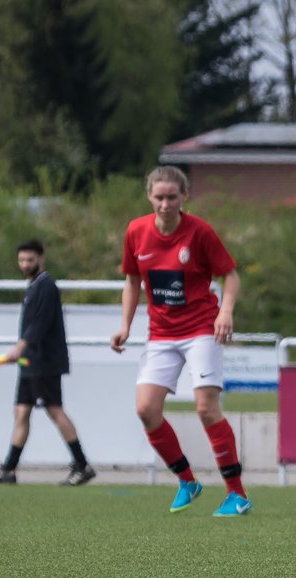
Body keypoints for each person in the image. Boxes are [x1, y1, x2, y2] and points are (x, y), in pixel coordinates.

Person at [109, 166, 251, 516]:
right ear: (149, 197)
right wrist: (125, 325)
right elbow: (132, 282)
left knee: (205, 408)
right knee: (146, 410)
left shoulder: (199, 232)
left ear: (183, 197)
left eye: (172, 197)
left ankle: (237, 493)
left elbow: (230, 276)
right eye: (159, 197)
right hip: (161, 334)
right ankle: (187, 480)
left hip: (202, 328)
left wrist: (226, 311)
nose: (165, 203)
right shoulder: (136, 231)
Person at [0, 239, 95, 486]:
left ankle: (82, 465)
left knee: (55, 411)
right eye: (21, 260)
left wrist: (20, 347)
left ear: (41, 259)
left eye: (30, 260)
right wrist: (21, 354)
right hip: (30, 363)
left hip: (44, 363)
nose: (25, 265)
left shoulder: (46, 286)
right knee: (21, 412)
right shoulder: (33, 287)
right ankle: (9, 469)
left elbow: (40, 324)